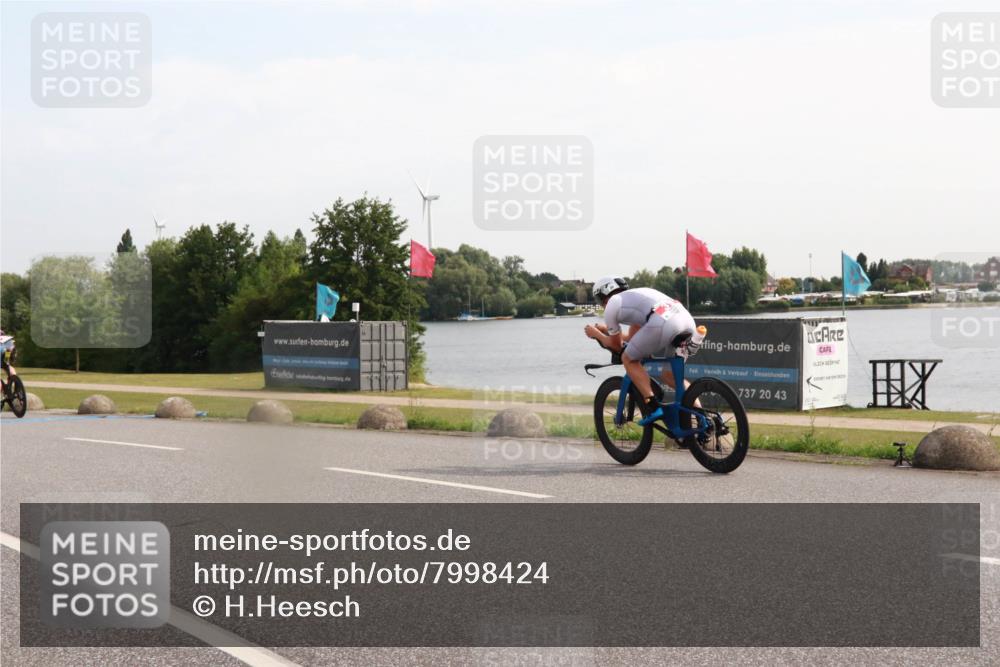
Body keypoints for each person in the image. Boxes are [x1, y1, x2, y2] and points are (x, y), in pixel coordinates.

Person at [584, 276, 697, 424]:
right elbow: (631, 337)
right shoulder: (636, 297)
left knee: (628, 358)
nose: (601, 305)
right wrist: (606, 329)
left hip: (663, 322)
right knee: (670, 376)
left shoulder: (612, 303)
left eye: (599, 300)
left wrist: (596, 334)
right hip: (686, 322)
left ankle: (653, 405)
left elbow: (617, 346)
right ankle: (702, 419)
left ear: (605, 294)